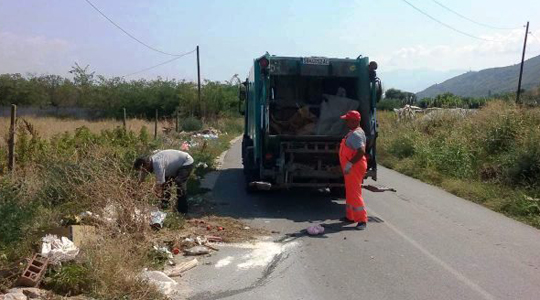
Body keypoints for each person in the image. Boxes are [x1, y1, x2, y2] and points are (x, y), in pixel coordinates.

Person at [339, 110, 368, 230]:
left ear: (355, 121)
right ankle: (350, 216)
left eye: (347, 120)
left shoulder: (356, 134)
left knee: (355, 193)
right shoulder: (354, 132)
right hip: (353, 167)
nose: (345, 122)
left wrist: (350, 164)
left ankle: (362, 220)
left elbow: (361, 151)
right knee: (351, 191)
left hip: (354, 167)